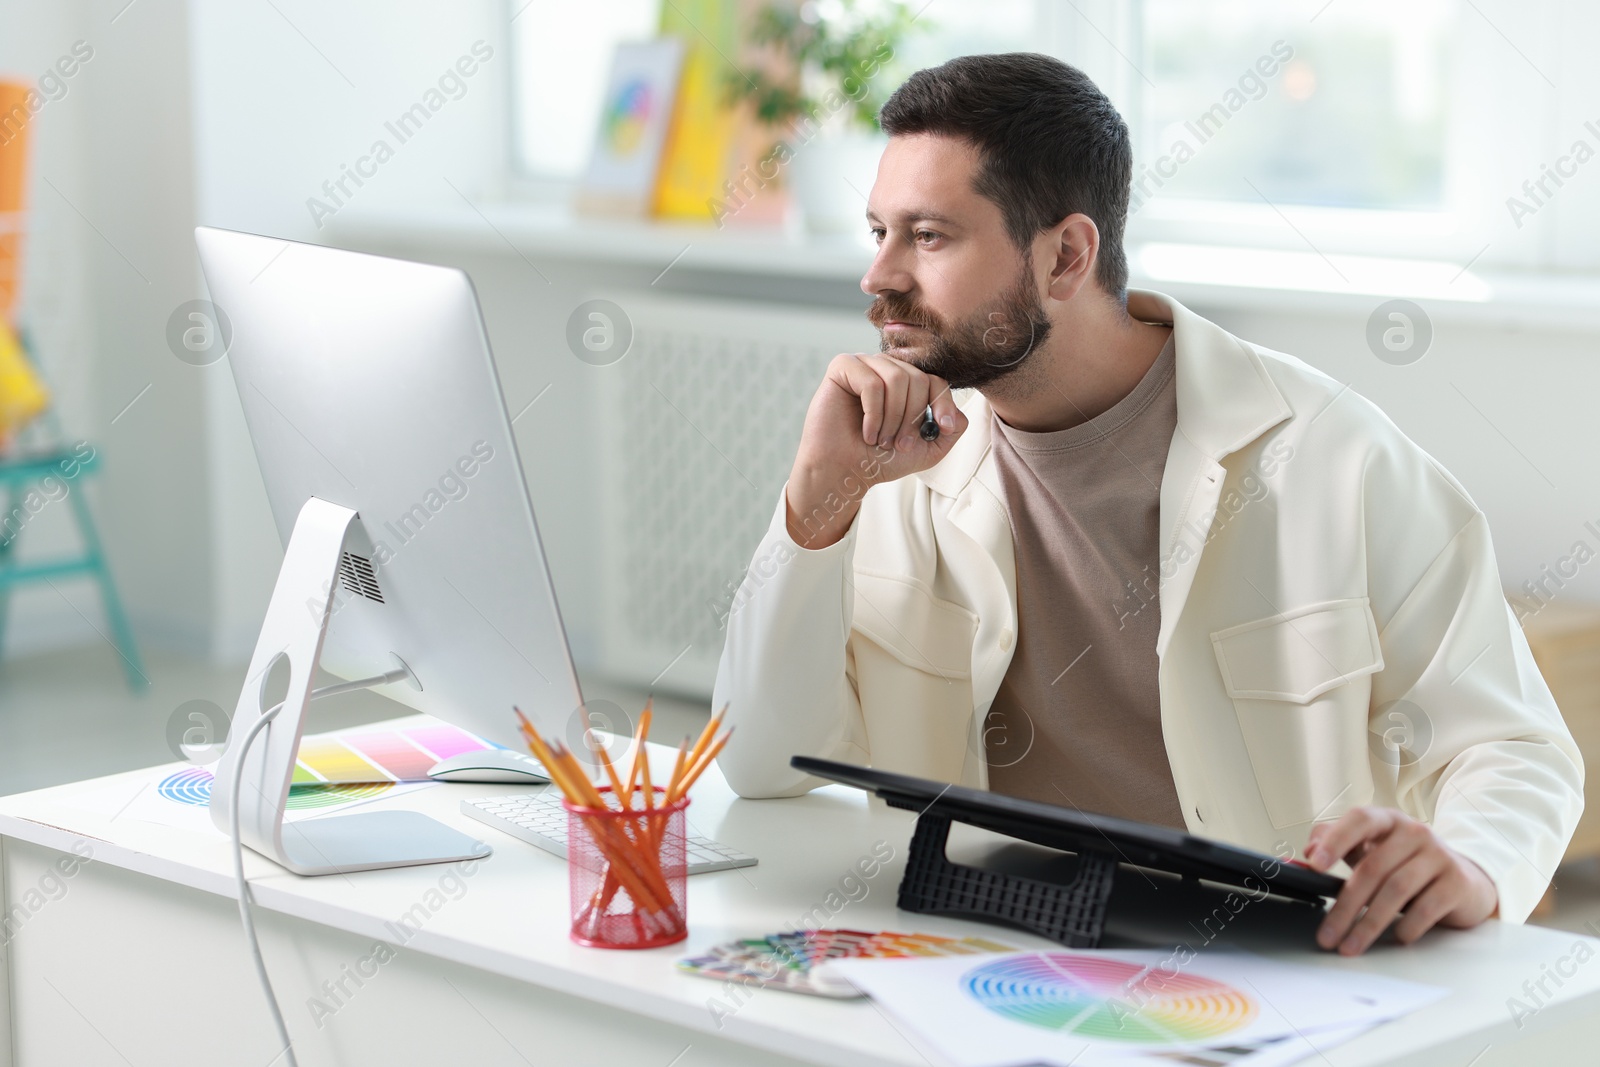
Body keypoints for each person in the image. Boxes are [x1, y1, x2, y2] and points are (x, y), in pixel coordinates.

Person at [711, 53, 1582, 955]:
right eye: (878, 231)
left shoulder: (1335, 455)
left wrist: (1472, 861)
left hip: (1272, 972)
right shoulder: (894, 461)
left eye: (928, 237)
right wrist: (816, 509)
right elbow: (760, 761)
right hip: (984, 948)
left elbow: (1517, 750)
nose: (878, 276)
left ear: (1067, 256)